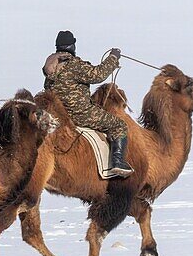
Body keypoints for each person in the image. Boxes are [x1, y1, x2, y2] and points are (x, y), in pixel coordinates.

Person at [42, 30, 133, 178]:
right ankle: (117, 163)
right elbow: (98, 75)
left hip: (58, 114)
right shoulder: (73, 64)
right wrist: (113, 58)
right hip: (79, 113)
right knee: (118, 125)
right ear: (72, 46)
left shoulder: (51, 67)